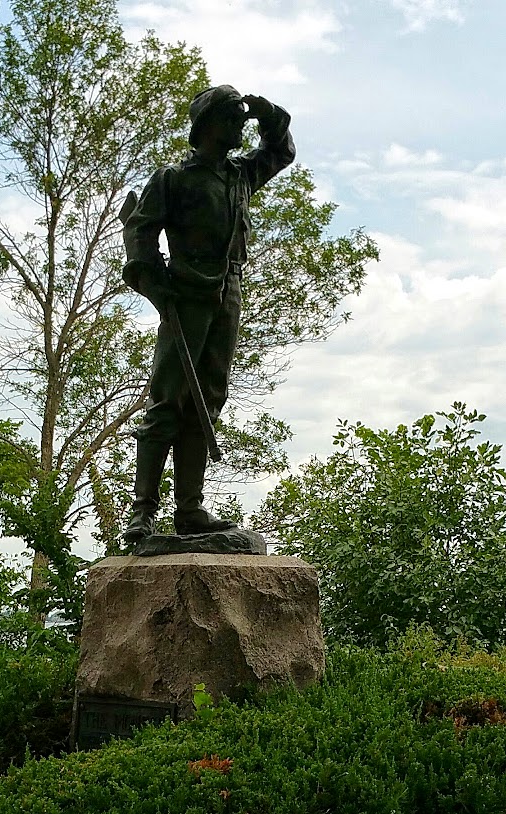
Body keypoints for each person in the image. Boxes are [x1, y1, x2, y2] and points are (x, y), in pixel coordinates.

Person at [120, 84, 295, 547]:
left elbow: (282, 152)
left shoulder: (240, 175)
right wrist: (155, 285)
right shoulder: (173, 178)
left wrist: (269, 114)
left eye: (242, 118)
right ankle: (142, 515)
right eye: (234, 117)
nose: (241, 125)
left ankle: (190, 509)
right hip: (186, 293)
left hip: (228, 292)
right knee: (168, 400)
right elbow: (141, 234)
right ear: (209, 124)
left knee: (207, 399)